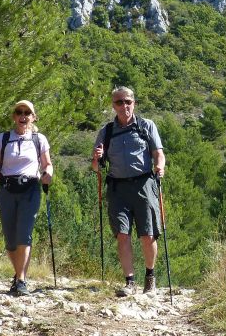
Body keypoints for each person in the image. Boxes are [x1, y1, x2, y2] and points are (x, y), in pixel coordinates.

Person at [91, 86, 166, 296]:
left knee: (148, 234)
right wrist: (97, 158)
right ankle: (130, 282)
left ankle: (150, 278)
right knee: (122, 234)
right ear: (113, 105)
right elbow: (96, 167)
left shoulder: (146, 126)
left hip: (144, 184)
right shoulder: (106, 132)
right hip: (117, 187)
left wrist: (160, 167)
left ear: (134, 103)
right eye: (119, 102)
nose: (124, 106)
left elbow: (158, 153)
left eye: (127, 101)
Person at [0, 100, 53, 296]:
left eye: (27, 113)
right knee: (10, 238)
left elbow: (47, 164)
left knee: (24, 234)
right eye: (19, 112)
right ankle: (18, 276)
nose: (23, 116)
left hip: (30, 189)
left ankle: (21, 280)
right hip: (6, 189)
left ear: (33, 117)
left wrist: (48, 174)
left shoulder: (39, 139)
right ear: (14, 116)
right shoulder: (3, 138)